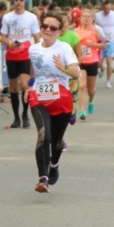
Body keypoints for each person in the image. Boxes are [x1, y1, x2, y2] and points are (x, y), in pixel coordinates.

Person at [26, 10, 80, 192]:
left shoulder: (64, 48)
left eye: (53, 27)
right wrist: (30, 86)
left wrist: (63, 68)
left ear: (59, 31)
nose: (48, 30)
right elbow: (34, 70)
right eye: (45, 26)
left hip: (61, 100)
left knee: (56, 141)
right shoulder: (33, 49)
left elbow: (76, 72)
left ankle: (54, 164)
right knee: (44, 135)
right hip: (39, 98)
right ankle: (43, 178)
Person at [0, 0, 40, 128]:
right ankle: (16, 117)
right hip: (11, 55)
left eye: (21, 0)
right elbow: (3, 37)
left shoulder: (31, 17)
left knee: (25, 85)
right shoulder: (7, 17)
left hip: (25, 55)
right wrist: (10, 44)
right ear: (13, 0)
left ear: (25, 1)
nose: (18, 2)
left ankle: (25, 115)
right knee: (13, 87)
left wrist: (38, 53)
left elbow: (37, 37)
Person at [74, 8, 105, 121]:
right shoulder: (75, 31)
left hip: (92, 61)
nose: (86, 19)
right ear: (80, 19)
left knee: (91, 89)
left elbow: (104, 45)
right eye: (84, 16)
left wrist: (93, 45)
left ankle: (91, 100)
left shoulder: (96, 31)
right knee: (82, 86)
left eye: (89, 17)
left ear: (92, 19)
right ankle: (82, 110)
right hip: (81, 62)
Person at [95, 0, 114, 87]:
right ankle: (102, 68)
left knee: (109, 60)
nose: (107, 10)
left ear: (111, 7)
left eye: (108, 8)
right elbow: (93, 26)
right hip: (101, 42)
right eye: (105, 9)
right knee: (98, 62)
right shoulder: (97, 15)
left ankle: (108, 81)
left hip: (111, 41)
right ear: (102, 7)